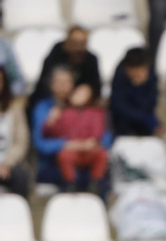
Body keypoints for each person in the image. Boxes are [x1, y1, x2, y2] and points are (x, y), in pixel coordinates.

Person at [37, 74, 110, 195]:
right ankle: (70, 184)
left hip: (90, 149)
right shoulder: (61, 112)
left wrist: (93, 141)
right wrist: (51, 122)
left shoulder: (95, 112)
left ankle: (95, 183)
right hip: (67, 154)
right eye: (78, 93)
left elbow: (100, 131)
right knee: (64, 157)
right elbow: (49, 135)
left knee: (101, 156)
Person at [27, 25, 100, 115]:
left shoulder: (91, 59)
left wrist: (88, 90)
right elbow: (42, 85)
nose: (78, 48)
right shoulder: (54, 57)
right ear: (67, 43)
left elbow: (96, 86)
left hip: (80, 105)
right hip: (51, 101)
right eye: (75, 43)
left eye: (82, 43)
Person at [109, 48, 161, 137]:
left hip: (145, 128)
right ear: (127, 68)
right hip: (122, 129)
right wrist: (148, 120)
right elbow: (120, 107)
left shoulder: (151, 76)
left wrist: (140, 86)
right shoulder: (120, 78)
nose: (136, 73)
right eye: (133, 69)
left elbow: (150, 104)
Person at [0, 67, 31, 196]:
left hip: (9, 163)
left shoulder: (15, 108)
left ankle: (20, 213)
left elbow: (21, 142)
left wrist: (7, 163)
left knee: (21, 176)